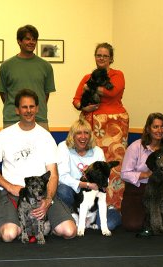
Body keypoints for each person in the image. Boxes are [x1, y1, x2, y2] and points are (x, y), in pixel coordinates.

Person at [0, 89, 76, 242]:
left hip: (42, 195)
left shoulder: (46, 137)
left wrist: (47, 200)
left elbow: (53, 174)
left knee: (69, 231)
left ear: (37, 108)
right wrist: (9, 186)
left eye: (32, 106)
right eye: (24, 107)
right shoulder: (5, 135)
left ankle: (44, 224)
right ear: (17, 110)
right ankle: (22, 224)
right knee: (9, 235)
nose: (28, 111)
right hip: (13, 194)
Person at [72, 42, 129, 210]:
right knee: (92, 161)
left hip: (114, 124)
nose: (101, 58)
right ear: (95, 57)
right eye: (99, 55)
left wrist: (89, 87)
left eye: (105, 55)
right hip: (91, 122)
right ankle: (89, 203)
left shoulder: (118, 75)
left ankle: (113, 204)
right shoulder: (86, 76)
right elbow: (76, 99)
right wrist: (83, 106)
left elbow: (111, 92)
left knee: (114, 164)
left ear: (111, 59)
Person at [57, 119, 121, 230]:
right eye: (79, 133)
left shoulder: (98, 151)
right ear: (72, 135)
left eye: (86, 133)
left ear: (90, 135)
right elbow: (62, 177)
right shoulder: (63, 147)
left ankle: (108, 210)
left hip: (94, 197)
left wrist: (96, 186)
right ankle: (72, 216)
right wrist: (85, 184)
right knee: (62, 190)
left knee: (110, 224)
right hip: (74, 194)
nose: (83, 137)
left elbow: (104, 179)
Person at [0, 24, 55, 130]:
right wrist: (18, 110)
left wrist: (33, 110)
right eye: (27, 39)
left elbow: (46, 95)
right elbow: (3, 94)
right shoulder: (6, 66)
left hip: (39, 119)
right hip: (12, 120)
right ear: (19, 41)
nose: (31, 42)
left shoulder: (46, 66)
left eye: (34, 39)